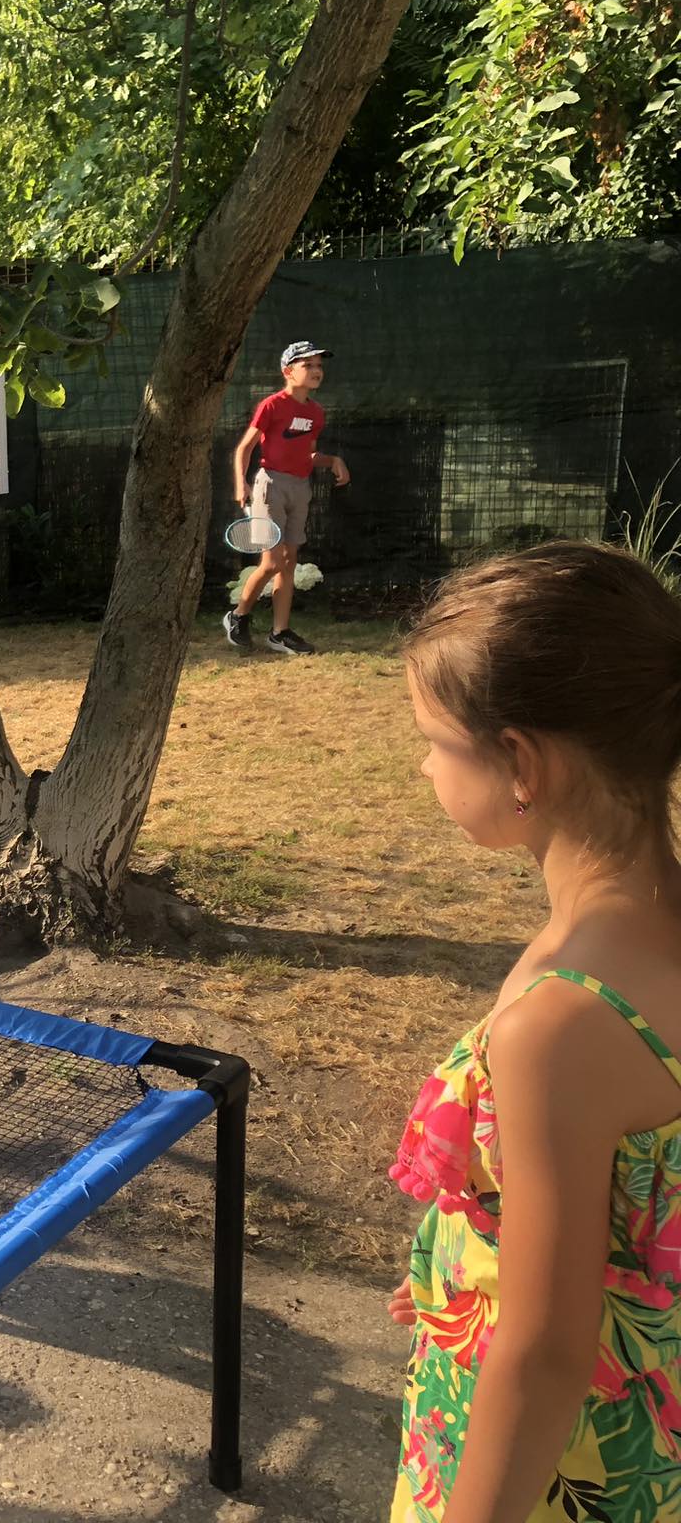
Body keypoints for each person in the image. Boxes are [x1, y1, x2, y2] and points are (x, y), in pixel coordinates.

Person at [387, 541, 681, 1521]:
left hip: (558, 1472)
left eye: (434, 739)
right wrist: (459, 1260)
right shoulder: (631, 936)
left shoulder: (561, 1023)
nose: (424, 764)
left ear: (519, 761)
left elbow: (545, 1354)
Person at [223, 340, 350, 655]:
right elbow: (244, 448)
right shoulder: (272, 405)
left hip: (300, 487)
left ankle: (279, 633)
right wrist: (241, 483)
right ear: (288, 372)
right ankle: (238, 615)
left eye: (319, 366)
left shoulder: (316, 413)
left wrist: (333, 460)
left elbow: (308, 454)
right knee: (272, 563)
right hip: (271, 487)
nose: (316, 371)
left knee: (289, 563)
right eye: (308, 365)